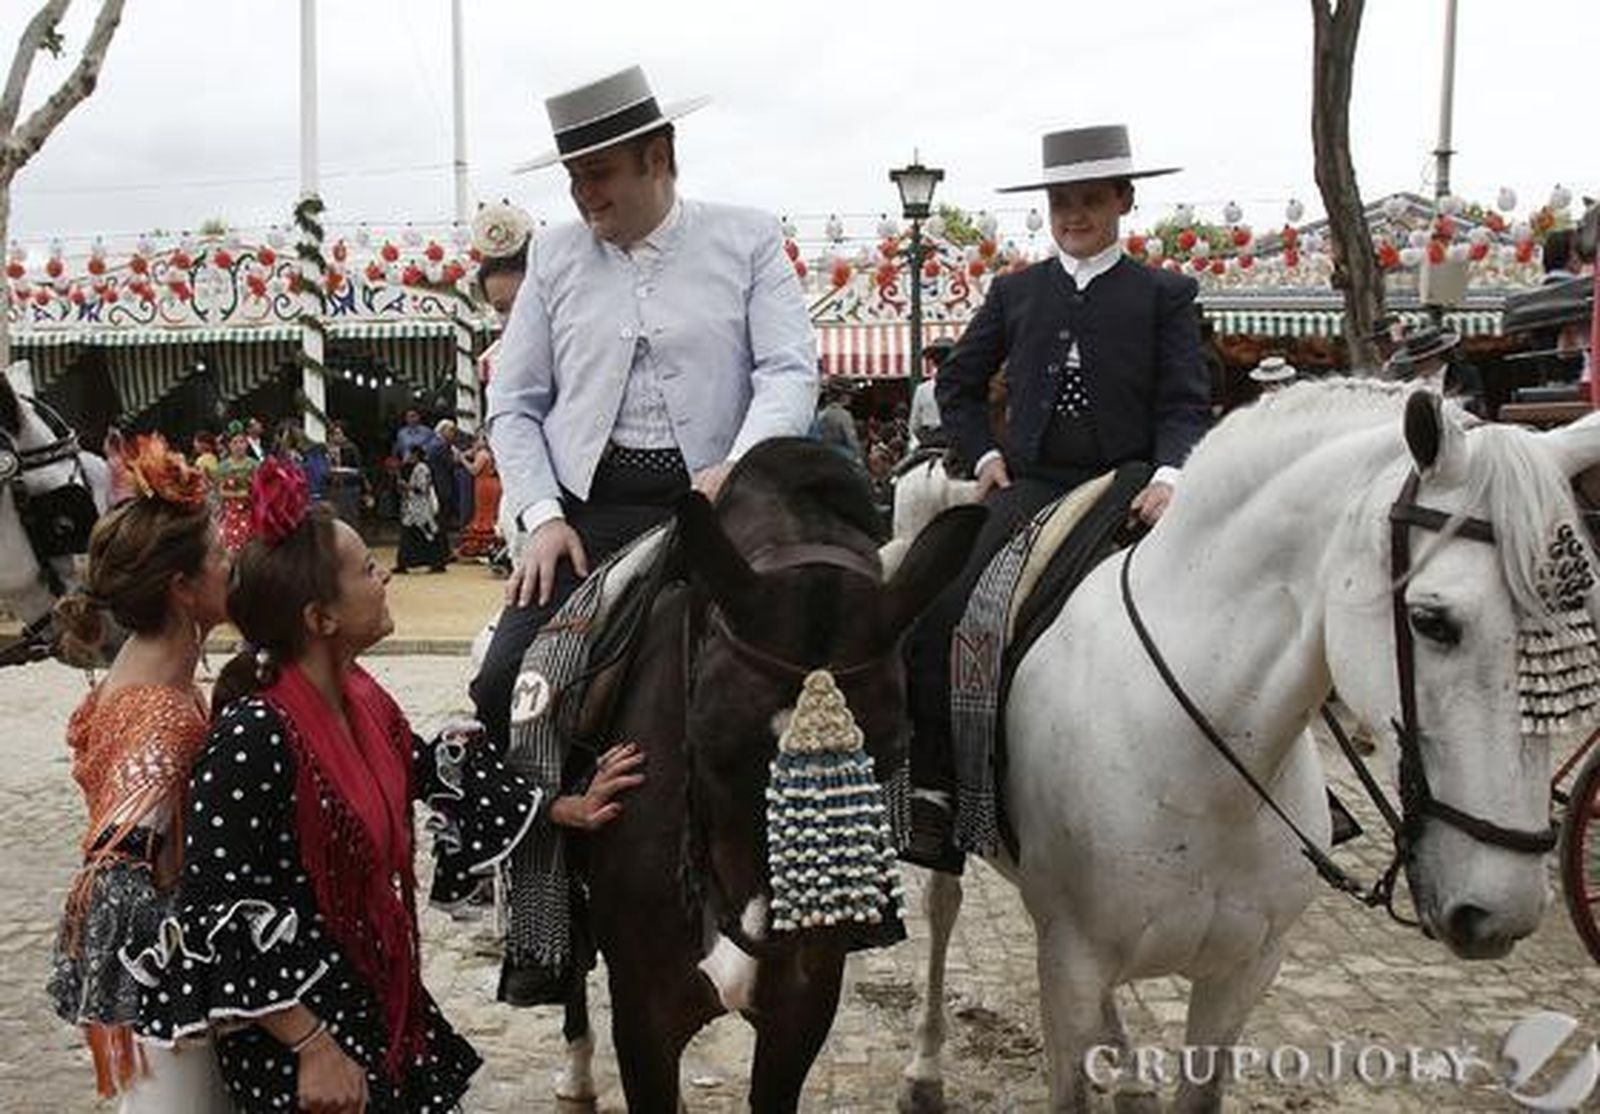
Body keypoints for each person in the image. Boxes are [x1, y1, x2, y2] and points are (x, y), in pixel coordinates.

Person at [125, 459, 543, 1112]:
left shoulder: (362, 700)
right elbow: (213, 912)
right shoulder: (254, 736)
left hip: (372, 995)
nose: (385, 578)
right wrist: (313, 1046)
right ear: (320, 618)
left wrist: (558, 806)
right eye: (367, 570)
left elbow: (426, 768)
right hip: (301, 1034)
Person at [473, 63, 817, 756]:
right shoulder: (553, 255)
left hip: (726, 507)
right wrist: (541, 517)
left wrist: (737, 466)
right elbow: (512, 404)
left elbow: (787, 371)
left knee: (823, 669)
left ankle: (872, 810)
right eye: (572, 177)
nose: (582, 195)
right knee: (502, 681)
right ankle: (539, 827)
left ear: (656, 158)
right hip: (588, 514)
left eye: (597, 174)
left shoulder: (749, 238)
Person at [904, 124, 1210, 870]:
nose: (1074, 215)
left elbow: (1184, 401)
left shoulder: (1165, 293)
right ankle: (937, 792)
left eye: (1090, 200)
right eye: (1062, 202)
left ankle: (1273, 783)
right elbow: (958, 384)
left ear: (1123, 200)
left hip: (1132, 483)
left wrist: (1170, 476)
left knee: (1226, 605)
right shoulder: (1016, 291)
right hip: (1034, 485)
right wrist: (983, 454)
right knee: (942, 608)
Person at [46, 435, 233, 1111]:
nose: (231, 562)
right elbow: (114, 873)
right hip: (167, 991)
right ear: (183, 589)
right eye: (218, 555)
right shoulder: (161, 715)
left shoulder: (155, 679)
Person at [395, 444, 448, 574]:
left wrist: (406, 486)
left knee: (422, 534)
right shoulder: (417, 468)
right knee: (415, 534)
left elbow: (421, 488)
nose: (408, 457)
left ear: (416, 455)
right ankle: (405, 563)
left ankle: (435, 563)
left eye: (411, 454)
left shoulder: (422, 468)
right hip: (415, 507)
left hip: (421, 507)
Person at [456, 431, 502, 560]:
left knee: (483, 513)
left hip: (484, 485)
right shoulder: (491, 453)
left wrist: (463, 459)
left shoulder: (483, 454)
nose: (475, 442)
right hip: (492, 483)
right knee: (490, 513)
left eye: (478, 440)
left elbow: (474, 470)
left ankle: (483, 545)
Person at [215, 421, 257, 555]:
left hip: (249, 512)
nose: (239, 446)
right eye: (235, 442)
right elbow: (219, 491)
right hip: (229, 514)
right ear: (229, 445)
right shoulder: (223, 467)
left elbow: (258, 490)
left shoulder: (254, 465)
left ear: (247, 444)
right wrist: (238, 494)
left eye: (242, 442)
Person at [909, 336, 954, 448]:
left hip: (929, 442)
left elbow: (914, 425)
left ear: (933, 363)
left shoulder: (922, 389)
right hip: (955, 441)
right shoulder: (966, 386)